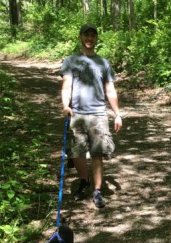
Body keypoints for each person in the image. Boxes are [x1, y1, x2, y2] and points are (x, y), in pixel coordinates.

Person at [60, 24, 122, 208]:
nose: (89, 38)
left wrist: (117, 114)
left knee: (97, 154)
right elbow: (66, 85)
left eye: (93, 35)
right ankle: (84, 179)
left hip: (98, 114)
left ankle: (96, 190)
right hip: (77, 114)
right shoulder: (70, 60)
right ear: (80, 37)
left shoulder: (103, 62)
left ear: (96, 39)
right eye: (86, 35)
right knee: (78, 153)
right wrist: (65, 105)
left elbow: (110, 89)